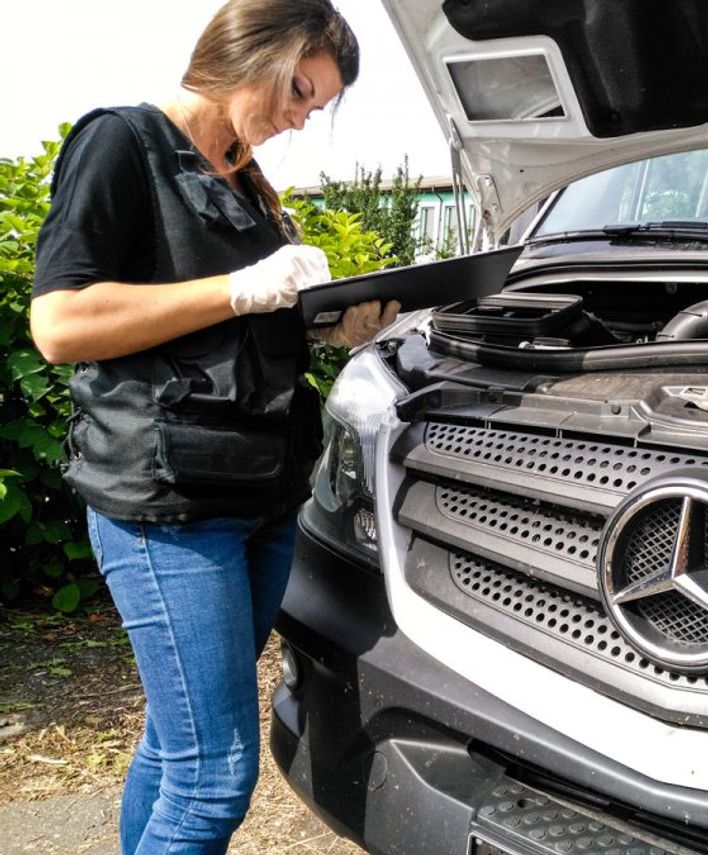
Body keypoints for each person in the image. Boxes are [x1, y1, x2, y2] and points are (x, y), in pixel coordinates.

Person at [29, 1, 398, 850]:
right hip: (168, 506)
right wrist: (239, 287)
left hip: (262, 504)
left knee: (174, 742)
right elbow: (60, 324)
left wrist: (323, 325)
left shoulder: (244, 178)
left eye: (316, 105)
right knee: (213, 776)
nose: (302, 116)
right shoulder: (122, 142)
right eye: (301, 89)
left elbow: (223, 332)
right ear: (250, 51)